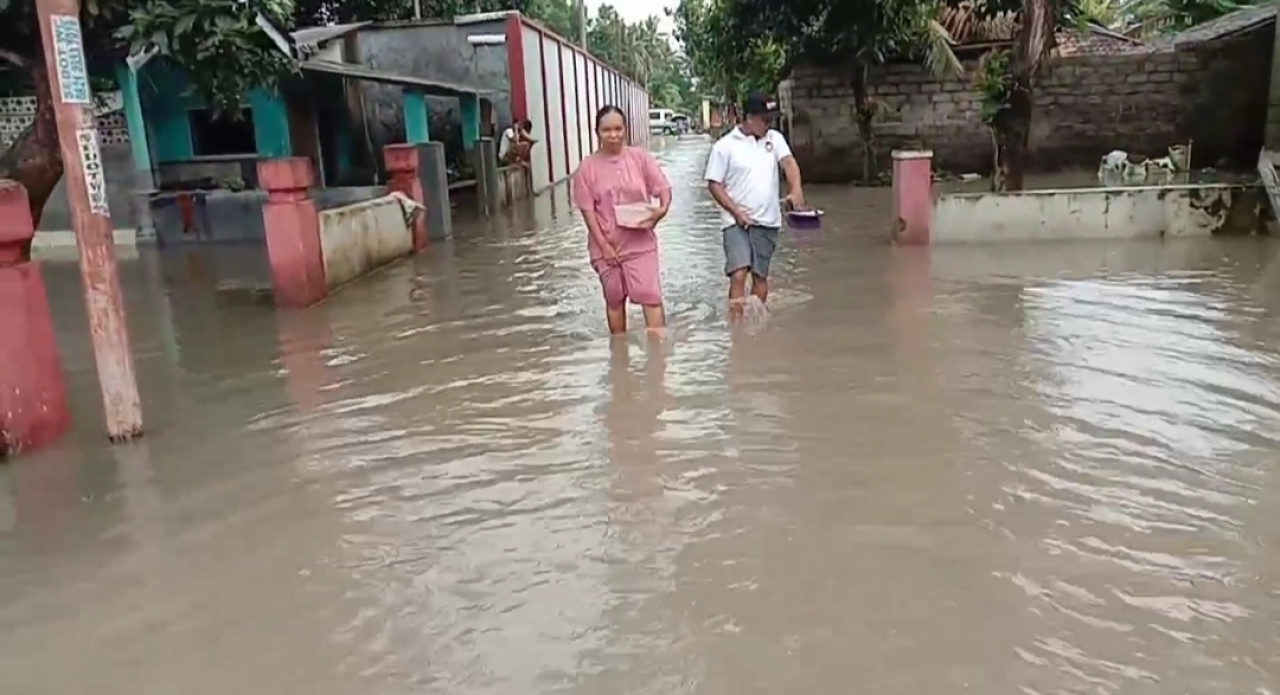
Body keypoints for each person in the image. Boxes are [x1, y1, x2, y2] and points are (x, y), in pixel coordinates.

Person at [704, 92, 807, 319]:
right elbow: (714, 185)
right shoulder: (725, 146)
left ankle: (756, 327)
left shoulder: (775, 139)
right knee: (739, 273)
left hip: (768, 221)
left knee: (760, 277)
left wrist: (795, 189)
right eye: (764, 119)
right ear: (748, 118)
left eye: (771, 119)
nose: (769, 124)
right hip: (736, 222)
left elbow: (789, 163)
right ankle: (737, 328)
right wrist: (737, 213)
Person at [573, 105, 672, 335]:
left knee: (651, 296)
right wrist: (605, 246)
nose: (614, 135)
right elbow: (588, 213)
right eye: (607, 130)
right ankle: (620, 355)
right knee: (615, 298)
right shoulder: (587, 168)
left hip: (640, 242)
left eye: (618, 129)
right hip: (606, 245)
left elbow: (663, 187)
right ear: (597, 132)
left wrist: (662, 210)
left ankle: (658, 359)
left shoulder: (640, 158)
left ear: (625, 129)